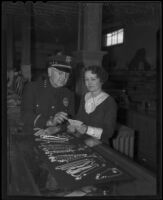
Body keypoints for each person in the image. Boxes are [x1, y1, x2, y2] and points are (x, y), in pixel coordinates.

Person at [21, 53, 75, 135]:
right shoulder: (32, 88)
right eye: (60, 73)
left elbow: (71, 120)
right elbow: (25, 115)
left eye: (67, 75)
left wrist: (57, 128)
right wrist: (49, 122)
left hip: (57, 138)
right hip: (33, 135)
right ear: (50, 72)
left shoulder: (69, 94)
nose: (64, 78)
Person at [68, 65, 117, 145]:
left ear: (101, 80)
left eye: (93, 79)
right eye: (86, 79)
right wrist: (73, 127)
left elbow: (109, 132)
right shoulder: (84, 97)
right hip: (82, 141)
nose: (89, 83)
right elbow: (79, 119)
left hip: (100, 144)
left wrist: (87, 129)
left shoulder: (109, 102)